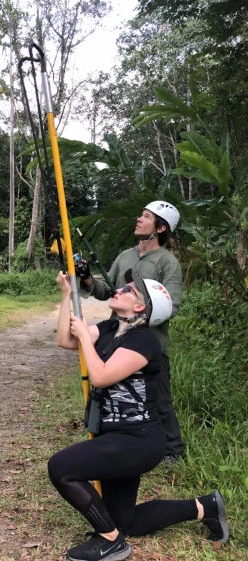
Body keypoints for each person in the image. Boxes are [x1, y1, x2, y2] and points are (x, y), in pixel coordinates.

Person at [49, 270, 229, 561]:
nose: (118, 289)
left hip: (139, 441)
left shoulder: (144, 341)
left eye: (129, 290)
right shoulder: (109, 329)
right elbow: (66, 341)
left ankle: (110, 541)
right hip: (117, 437)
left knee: (61, 468)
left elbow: (101, 377)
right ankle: (206, 506)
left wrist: (84, 334)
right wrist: (68, 294)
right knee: (125, 521)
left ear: (140, 308)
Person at [77, 200, 184, 463]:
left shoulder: (167, 262)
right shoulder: (125, 256)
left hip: (150, 343)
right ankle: (113, 437)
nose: (139, 219)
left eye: (146, 216)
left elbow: (172, 304)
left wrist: (138, 320)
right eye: (141, 214)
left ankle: (173, 450)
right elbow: (107, 291)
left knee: (159, 397)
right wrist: (88, 278)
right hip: (116, 339)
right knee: (112, 391)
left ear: (159, 228)